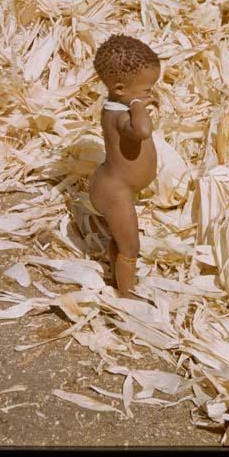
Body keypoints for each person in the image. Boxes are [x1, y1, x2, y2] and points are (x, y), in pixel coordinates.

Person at [89, 34, 160, 299]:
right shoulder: (120, 115)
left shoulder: (118, 104)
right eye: (146, 89)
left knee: (120, 239)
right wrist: (138, 106)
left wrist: (137, 100)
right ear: (120, 90)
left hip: (118, 188)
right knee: (130, 248)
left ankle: (116, 276)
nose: (150, 93)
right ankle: (127, 297)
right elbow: (141, 131)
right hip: (114, 192)